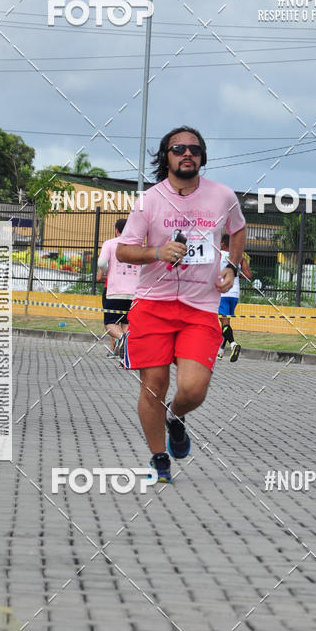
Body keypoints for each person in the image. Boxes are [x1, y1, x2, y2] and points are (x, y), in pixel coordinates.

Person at [116, 126, 246, 482]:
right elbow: (124, 249)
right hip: (153, 305)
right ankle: (159, 458)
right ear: (167, 156)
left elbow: (238, 229)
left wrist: (232, 266)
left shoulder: (223, 196)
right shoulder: (149, 200)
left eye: (194, 149)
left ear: (202, 157)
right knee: (153, 384)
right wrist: (157, 252)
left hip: (200, 307)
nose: (187, 154)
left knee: (193, 388)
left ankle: (175, 416)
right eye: (178, 149)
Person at [96, 218, 139, 355]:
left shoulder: (109, 243)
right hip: (133, 293)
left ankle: (122, 339)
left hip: (115, 291)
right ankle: (126, 356)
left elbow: (101, 262)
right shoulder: (136, 246)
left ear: (116, 230)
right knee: (126, 323)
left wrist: (108, 270)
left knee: (110, 323)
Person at [217, 233, 252, 362]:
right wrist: (236, 272)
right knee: (226, 323)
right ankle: (220, 351)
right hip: (235, 294)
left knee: (224, 322)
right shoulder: (239, 257)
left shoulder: (218, 254)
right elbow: (248, 274)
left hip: (223, 293)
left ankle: (233, 344)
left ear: (222, 244)